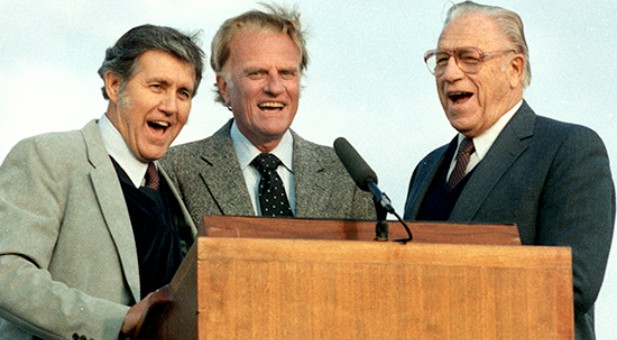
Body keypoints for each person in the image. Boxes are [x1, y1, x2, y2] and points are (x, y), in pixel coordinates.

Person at [403, 2, 614, 339]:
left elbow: (572, 282)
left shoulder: (568, 149)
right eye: (441, 60)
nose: (450, 73)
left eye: (468, 57)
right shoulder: (426, 169)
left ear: (515, 68)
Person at [0, 24, 204, 339]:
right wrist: (117, 320)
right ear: (113, 84)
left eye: (183, 93)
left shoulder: (166, 191)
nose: (171, 106)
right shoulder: (46, 156)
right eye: (157, 86)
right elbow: (5, 272)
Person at [162, 4, 375, 226]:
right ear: (224, 87)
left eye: (286, 73)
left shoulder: (348, 176)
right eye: (257, 73)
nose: (275, 87)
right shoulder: (174, 171)